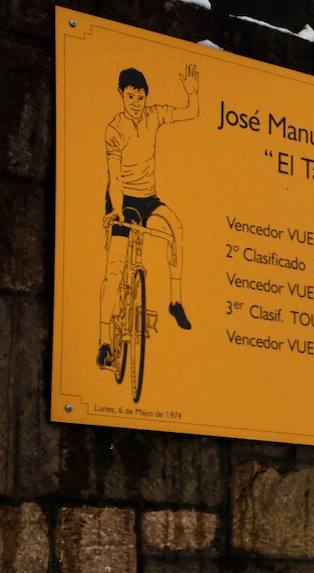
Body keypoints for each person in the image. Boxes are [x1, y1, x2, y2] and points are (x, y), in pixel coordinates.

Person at [97, 64, 199, 368]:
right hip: (121, 199)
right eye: (131, 97)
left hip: (148, 198)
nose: (136, 103)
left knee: (176, 227)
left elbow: (189, 112)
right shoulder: (115, 130)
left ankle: (174, 302)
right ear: (121, 95)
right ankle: (104, 342)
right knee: (115, 271)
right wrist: (115, 211)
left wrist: (192, 94)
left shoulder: (154, 115)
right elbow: (114, 176)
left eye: (140, 97)